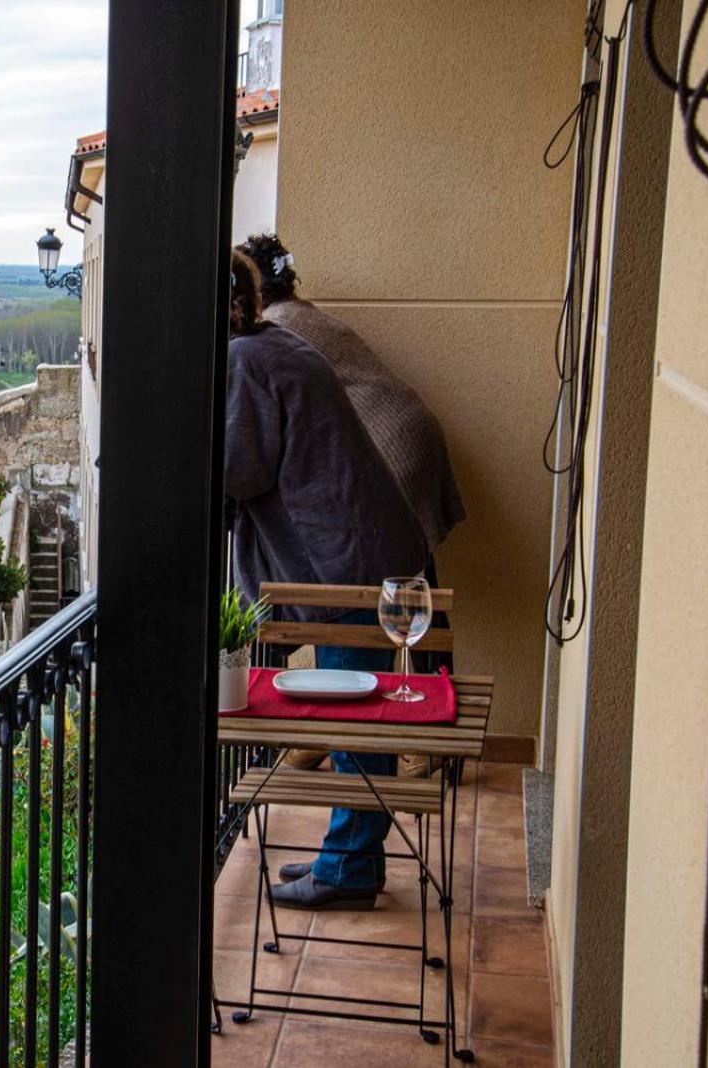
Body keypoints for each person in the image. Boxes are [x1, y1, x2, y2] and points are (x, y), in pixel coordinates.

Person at [224, 250, 429, 911]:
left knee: (355, 719)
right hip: (366, 551)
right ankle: (348, 857)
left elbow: (239, 470)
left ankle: (349, 869)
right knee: (355, 715)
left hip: (346, 563)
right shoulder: (274, 342)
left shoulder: (244, 361)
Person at [237, 233, 464, 551]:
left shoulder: (277, 327)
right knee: (408, 561)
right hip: (412, 431)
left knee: (395, 562)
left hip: (391, 443)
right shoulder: (300, 311)